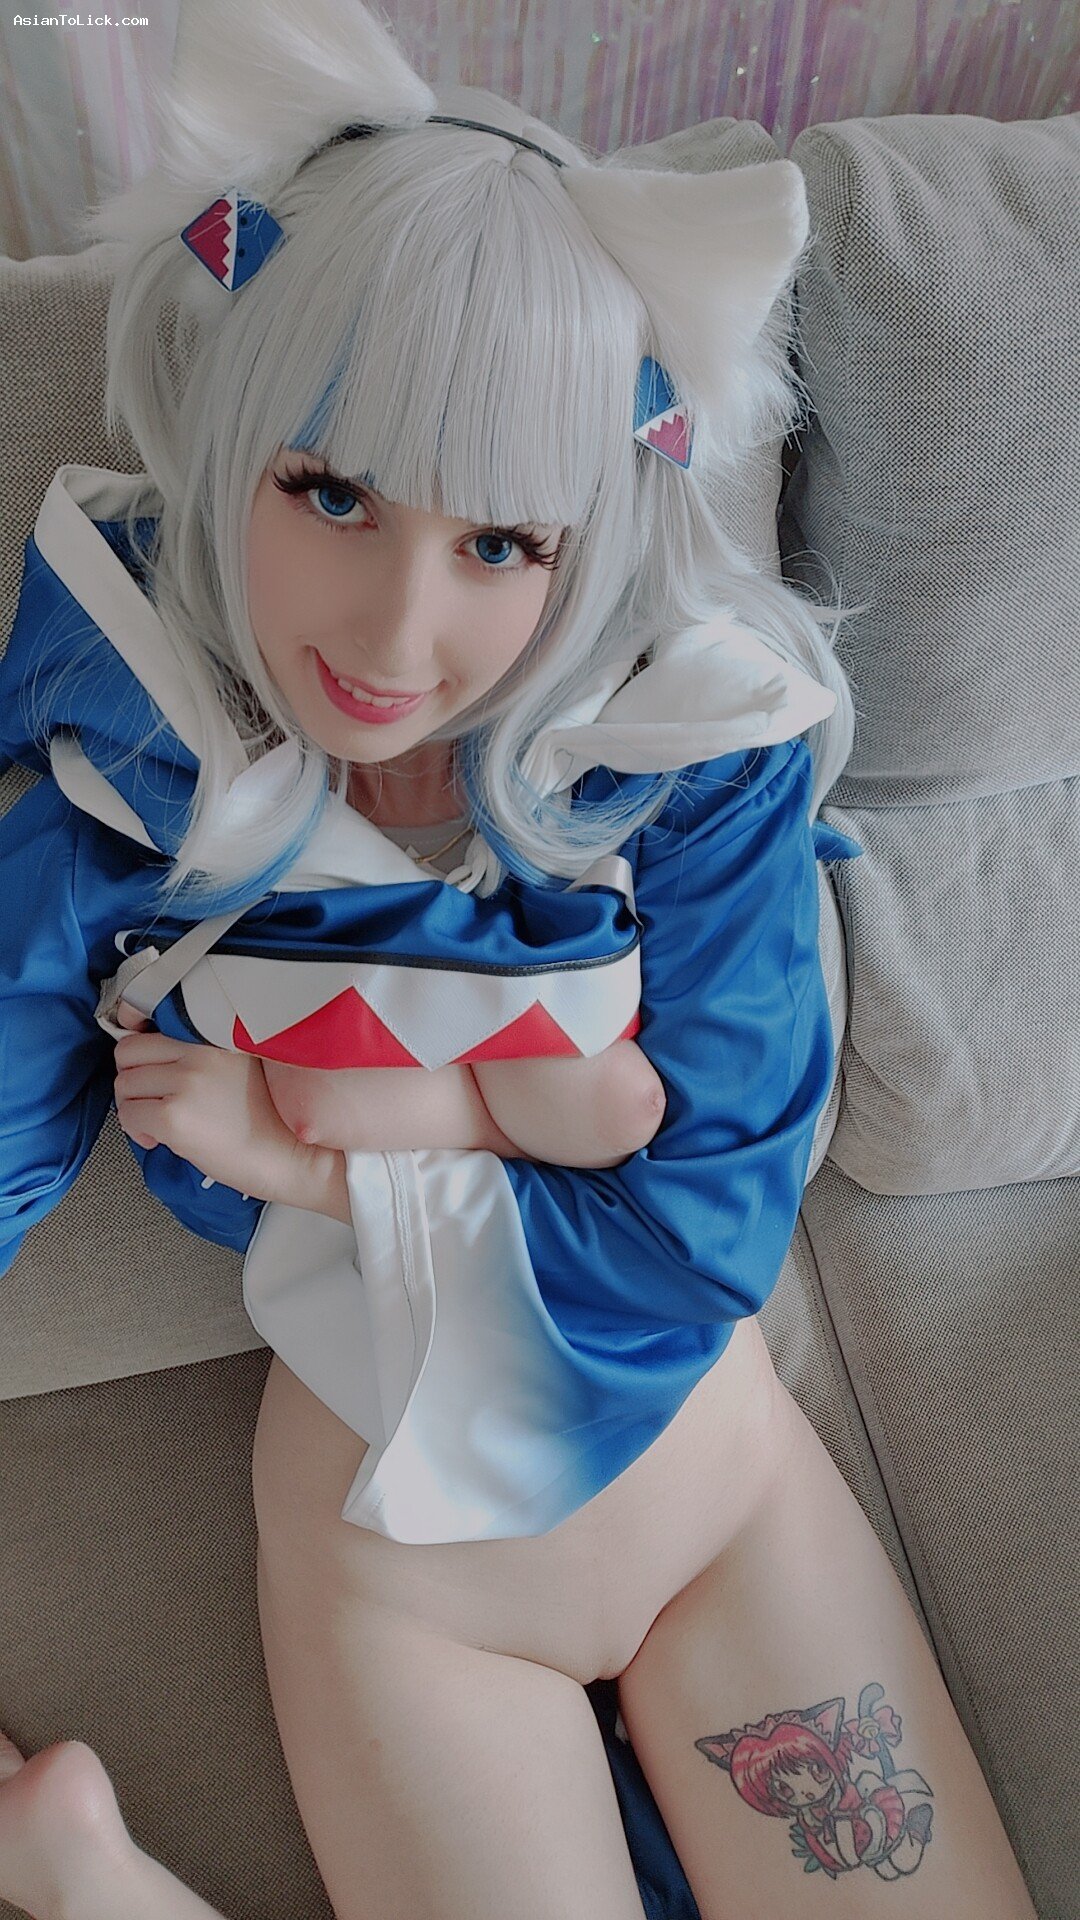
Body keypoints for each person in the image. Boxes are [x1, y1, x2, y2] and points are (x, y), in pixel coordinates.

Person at [0, 1, 1039, 1916]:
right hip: (404, 1567)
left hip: (711, 1492)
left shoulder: (687, 761)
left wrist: (348, 1139)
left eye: (501, 542)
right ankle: (77, 1869)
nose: (397, 630)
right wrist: (526, 1116)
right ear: (231, 445)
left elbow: (706, 1226)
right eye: (331, 493)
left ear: (592, 534)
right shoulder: (118, 783)